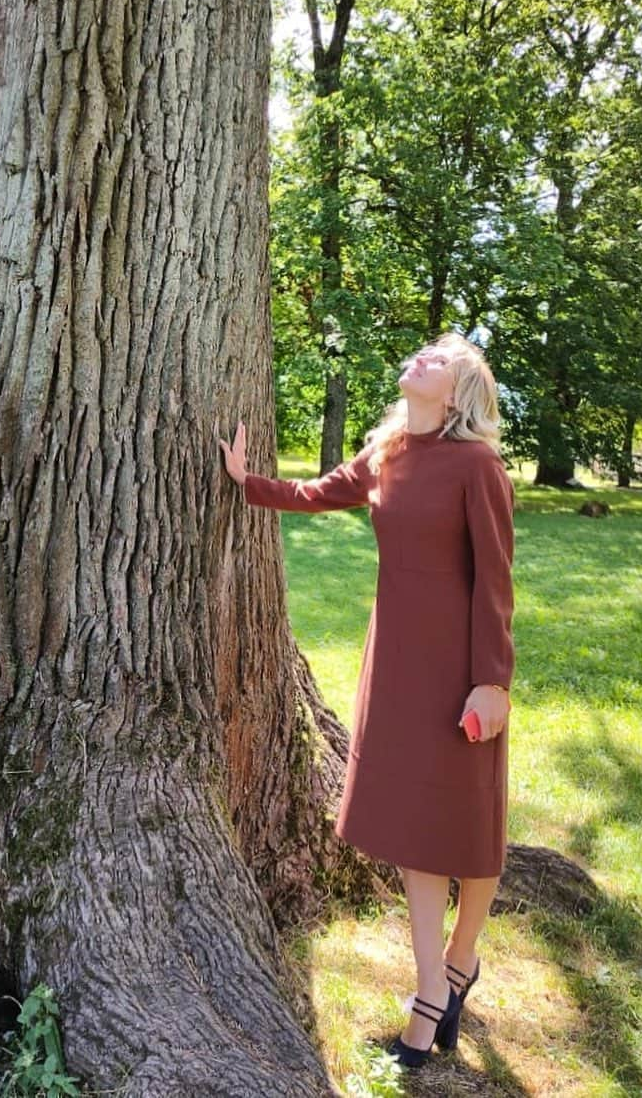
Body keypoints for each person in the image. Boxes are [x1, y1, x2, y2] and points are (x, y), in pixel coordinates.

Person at [219, 332, 515, 1068]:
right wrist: (245, 480)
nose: (422, 357)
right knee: (417, 829)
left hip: (462, 666)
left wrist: (491, 678)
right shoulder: (386, 453)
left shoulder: (476, 465)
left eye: (440, 359)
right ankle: (427, 989)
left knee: (471, 820)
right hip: (397, 665)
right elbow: (318, 492)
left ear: (458, 393)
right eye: (422, 351)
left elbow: (494, 579)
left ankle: (460, 957)